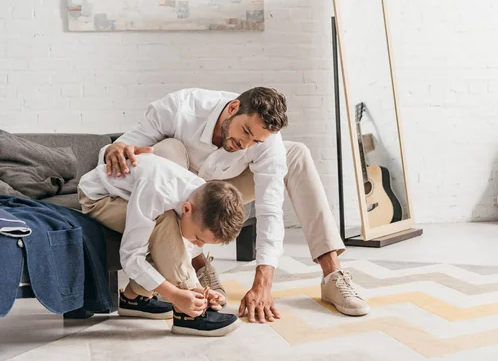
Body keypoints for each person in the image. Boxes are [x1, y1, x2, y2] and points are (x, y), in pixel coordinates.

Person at [84, 86, 370, 324]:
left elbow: (270, 209)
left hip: (225, 187)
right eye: (244, 131)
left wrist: (263, 283)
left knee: (297, 154)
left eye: (255, 140)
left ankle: (333, 274)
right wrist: (115, 149)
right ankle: (194, 268)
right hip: (180, 190)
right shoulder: (179, 108)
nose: (245, 144)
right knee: (168, 147)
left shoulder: (263, 142)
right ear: (232, 108)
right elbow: (116, 156)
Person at [78, 152, 245, 337]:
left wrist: (199, 290)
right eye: (199, 238)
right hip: (97, 197)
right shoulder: (157, 191)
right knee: (164, 221)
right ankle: (188, 316)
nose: (199, 245)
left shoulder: (201, 196)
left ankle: (134, 298)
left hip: (131, 194)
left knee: (166, 228)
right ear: (186, 209)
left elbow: (176, 250)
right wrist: (176, 295)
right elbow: (131, 257)